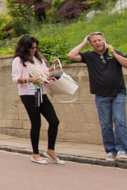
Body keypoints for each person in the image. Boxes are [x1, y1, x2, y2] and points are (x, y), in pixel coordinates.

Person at [67, 32, 127, 161]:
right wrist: (83, 43)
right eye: (94, 41)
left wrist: (114, 53)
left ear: (104, 40)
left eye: (99, 40)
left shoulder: (113, 53)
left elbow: (126, 64)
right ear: (91, 43)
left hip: (118, 94)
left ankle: (122, 150)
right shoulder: (89, 56)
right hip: (101, 96)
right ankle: (110, 151)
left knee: (120, 121)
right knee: (105, 124)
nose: (97, 43)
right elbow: (71, 55)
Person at [11, 35, 63, 165]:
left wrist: (53, 66)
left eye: (35, 47)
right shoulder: (18, 61)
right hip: (28, 94)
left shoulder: (37, 59)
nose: (34, 50)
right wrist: (30, 80)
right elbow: (15, 79)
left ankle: (50, 151)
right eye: (31, 47)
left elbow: (44, 72)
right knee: (36, 123)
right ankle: (35, 154)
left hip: (41, 92)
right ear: (24, 47)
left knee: (54, 121)